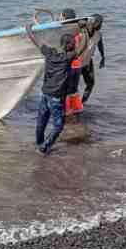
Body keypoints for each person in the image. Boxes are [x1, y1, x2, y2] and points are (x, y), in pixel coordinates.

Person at [25, 23, 87, 155]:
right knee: (58, 126)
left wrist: (29, 30)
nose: (75, 45)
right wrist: (84, 31)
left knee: (41, 121)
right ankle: (44, 148)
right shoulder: (67, 58)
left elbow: (36, 41)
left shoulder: (50, 53)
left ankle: (39, 143)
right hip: (56, 98)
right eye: (73, 44)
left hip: (45, 94)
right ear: (68, 46)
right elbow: (83, 47)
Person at [60, 9, 84, 116]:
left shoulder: (64, 32)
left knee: (66, 89)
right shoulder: (79, 31)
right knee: (74, 88)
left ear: (65, 17)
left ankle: (67, 111)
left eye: (61, 16)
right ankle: (78, 108)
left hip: (69, 64)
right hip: (78, 64)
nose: (60, 18)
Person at [80, 14, 106, 104]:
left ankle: (82, 103)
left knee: (90, 83)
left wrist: (103, 57)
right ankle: (68, 104)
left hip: (87, 62)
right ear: (93, 22)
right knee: (72, 85)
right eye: (99, 23)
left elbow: (100, 45)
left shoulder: (98, 34)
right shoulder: (82, 30)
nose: (100, 25)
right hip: (77, 63)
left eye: (101, 23)